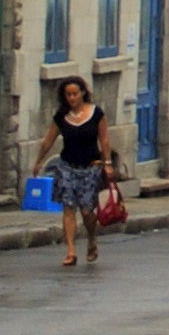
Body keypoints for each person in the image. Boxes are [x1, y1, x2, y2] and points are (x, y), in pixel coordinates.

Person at [42, 81, 119, 269]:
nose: (71, 98)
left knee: (86, 211)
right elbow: (49, 140)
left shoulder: (96, 114)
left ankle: (91, 238)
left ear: (83, 93)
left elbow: (105, 140)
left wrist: (108, 164)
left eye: (75, 94)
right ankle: (71, 251)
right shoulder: (61, 116)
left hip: (91, 167)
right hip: (67, 166)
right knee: (68, 208)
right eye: (68, 95)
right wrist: (38, 161)